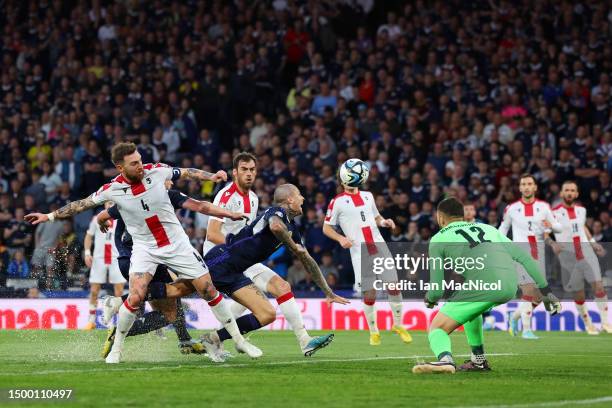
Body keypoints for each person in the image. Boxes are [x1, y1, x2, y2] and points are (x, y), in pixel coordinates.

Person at [25, 142, 261, 363]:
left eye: (140, 160)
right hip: (144, 249)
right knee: (137, 296)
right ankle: (117, 348)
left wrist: (212, 177)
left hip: (177, 245)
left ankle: (239, 341)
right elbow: (82, 204)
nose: (141, 165)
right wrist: (49, 216)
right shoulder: (112, 189)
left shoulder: (156, 171)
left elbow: (186, 173)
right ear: (120, 167)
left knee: (208, 289)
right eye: (134, 163)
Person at [140, 184, 349, 358]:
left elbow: (308, 261)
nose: (303, 198)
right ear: (290, 200)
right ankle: (126, 299)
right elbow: (276, 228)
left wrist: (328, 292)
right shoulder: (276, 212)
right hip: (222, 259)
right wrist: (293, 246)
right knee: (177, 291)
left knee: (267, 314)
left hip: (238, 270)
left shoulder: (292, 229)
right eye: (299, 195)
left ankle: (213, 339)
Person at [203, 152, 336, 356]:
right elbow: (212, 234)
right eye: (244, 170)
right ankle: (218, 338)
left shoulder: (254, 198)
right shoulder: (226, 195)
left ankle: (305, 341)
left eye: (252, 170)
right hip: (221, 255)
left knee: (281, 287)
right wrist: (238, 247)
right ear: (234, 172)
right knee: (255, 300)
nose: (249, 174)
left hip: (243, 257)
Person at [413, 197, 561, 374]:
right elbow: (524, 258)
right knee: (471, 312)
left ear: (440, 217)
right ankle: (479, 361)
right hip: (508, 285)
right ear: (462, 215)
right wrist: (546, 292)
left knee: (437, 328)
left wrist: (430, 300)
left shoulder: (438, 239)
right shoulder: (488, 229)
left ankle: (446, 361)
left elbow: (436, 289)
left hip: (482, 286)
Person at [97, 184, 247, 357]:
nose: (170, 184)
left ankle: (183, 338)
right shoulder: (136, 205)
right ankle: (117, 311)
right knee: (168, 306)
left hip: (134, 259)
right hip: (142, 259)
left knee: (166, 301)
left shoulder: (138, 205)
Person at [322, 171, 412, 346]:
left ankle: (399, 325)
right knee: (370, 292)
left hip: (379, 245)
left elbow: (376, 217)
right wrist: (340, 238)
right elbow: (326, 228)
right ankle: (374, 331)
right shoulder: (337, 202)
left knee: (393, 285)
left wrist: (385, 222)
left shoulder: (368, 196)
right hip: (360, 252)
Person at [499, 174, 561, 339]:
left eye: (529, 184)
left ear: (535, 187)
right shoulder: (511, 208)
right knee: (528, 288)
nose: (526, 187)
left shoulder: (544, 207)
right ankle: (526, 330)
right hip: (520, 253)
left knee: (539, 295)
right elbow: (503, 229)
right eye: (523, 184)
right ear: (520, 188)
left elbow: (557, 226)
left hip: (538, 254)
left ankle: (515, 316)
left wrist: (552, 226)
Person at [550, 180, 610, 334]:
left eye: (572, 190)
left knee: (598, 285)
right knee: (579, 291)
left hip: (586, 252)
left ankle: (606, 323)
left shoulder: (581, 210)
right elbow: (543, 231)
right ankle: (588, 323)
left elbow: (582, 227)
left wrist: (593, 242)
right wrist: (552, 244)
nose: (569, 193)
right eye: (567, 190)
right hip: (568, 256)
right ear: (562, 193)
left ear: (576, 194)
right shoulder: (553, 212)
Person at [83, 201, 126, 330]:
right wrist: (87, 253)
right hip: (99, 258)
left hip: (116, 258)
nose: (109, 205)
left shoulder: (122, 219)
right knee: (94, 290)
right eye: (107, 203)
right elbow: (88, 236)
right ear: (104, 204)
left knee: (119, 292)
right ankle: (91, 321)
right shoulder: (97, 219)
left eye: (112, 203)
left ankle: (118, 322)